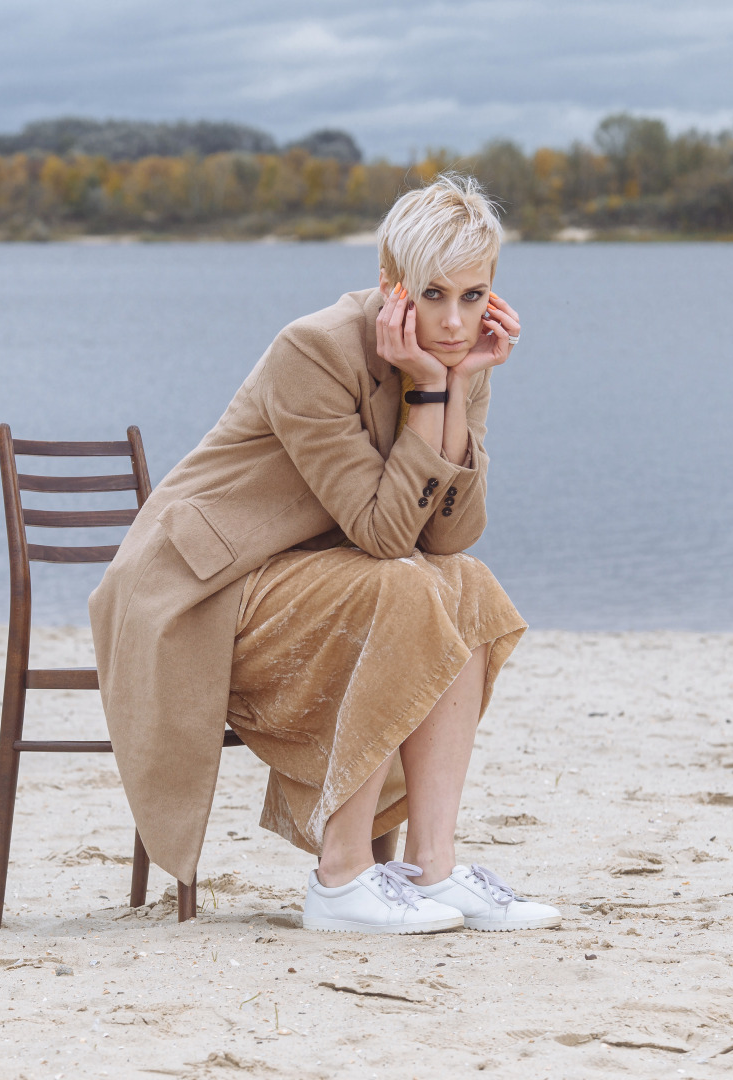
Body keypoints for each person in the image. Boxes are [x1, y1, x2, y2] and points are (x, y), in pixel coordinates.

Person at [89, 174, 559, 934]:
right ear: (389, 283)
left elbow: (448, 536)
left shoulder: (459, 362)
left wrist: (455, 389)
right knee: (399, 589)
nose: (451, 321)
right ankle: (341, 878)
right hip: (205, 587)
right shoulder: (311, 349)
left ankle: (432, 873)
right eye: (432, 295)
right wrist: (429, 395)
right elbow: (382, 536)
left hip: (314, 574)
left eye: (473, 297)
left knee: (466, 587)